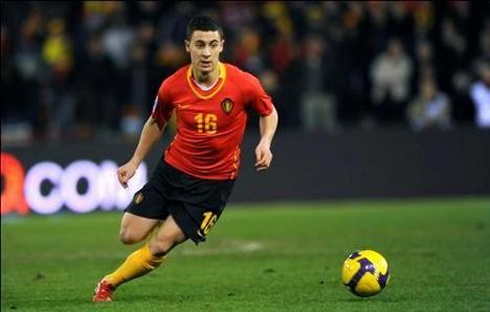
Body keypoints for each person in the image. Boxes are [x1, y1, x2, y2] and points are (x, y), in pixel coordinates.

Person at [93, 15, 278, 302]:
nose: (206, 52)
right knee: (128, 235)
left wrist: (265, 142)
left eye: (213, 45)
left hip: (212, 185)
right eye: (200, 44)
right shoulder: (172, 86)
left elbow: (268, 111)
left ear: (221, 47)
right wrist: (134, 161)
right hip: (172, 171)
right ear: (188, 46)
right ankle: (169, 218)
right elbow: (156, 122)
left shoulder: (243, 83)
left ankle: (109, 283)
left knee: (160, 244)